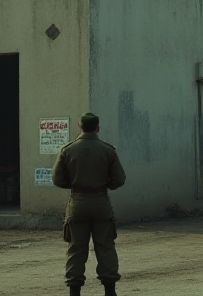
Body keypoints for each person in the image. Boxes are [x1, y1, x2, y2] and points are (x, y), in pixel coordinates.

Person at [51, 112, 127, 296]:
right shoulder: (108, 150)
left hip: (77, 203)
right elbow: (120, 179)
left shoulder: (68, 150)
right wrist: (104, 184)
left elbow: (57, 179)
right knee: (105, 246)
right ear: (97, 127)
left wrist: (75, 184)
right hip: (101, 202)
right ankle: (110, 290)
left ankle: (74, 291)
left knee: (76, 247)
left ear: (80, 126)